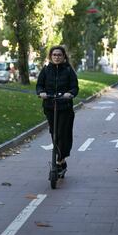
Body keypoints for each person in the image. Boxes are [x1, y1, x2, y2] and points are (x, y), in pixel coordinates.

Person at [36, 45, 79, 173]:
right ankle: (62, 161)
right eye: (54, 55)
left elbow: (75, 87)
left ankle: (60, 161)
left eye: (59, 55)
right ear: (50, 56)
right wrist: (41, 92)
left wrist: (70, 94)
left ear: (64, 56)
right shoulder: (46, 70)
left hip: (65, 107)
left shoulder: (68, 70)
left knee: (62, 134)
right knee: (54, 133)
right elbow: (39, 85)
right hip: (50, 106)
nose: (56, 57)